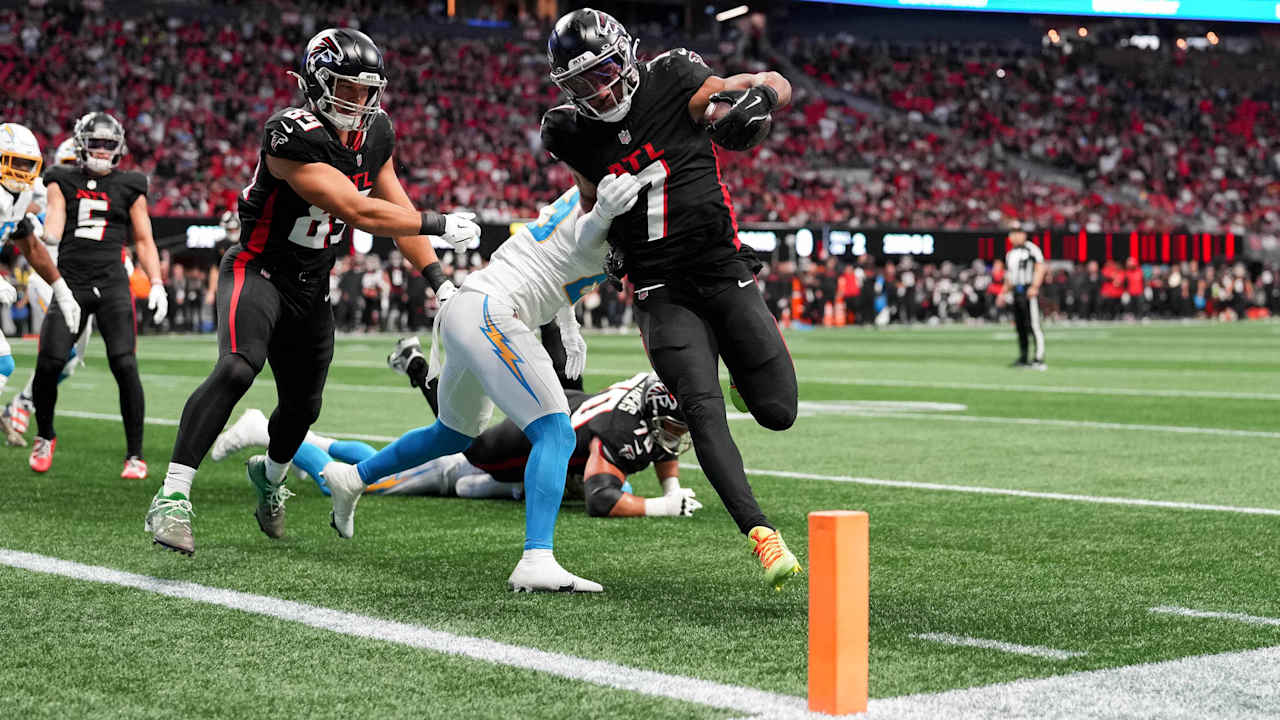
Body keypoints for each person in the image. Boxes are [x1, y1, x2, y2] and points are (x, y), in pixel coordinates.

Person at [143, 28, 480, 557]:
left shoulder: (376, 133)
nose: (360, 101)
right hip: (259, 271)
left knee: (303, 407)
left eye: (368, 90)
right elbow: (358, 209)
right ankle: (172, 495)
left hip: (312, 287)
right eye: (347, 88)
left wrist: (439, 280)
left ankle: (271, 478)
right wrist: (440, 222)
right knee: (238, 367)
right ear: (317, 84)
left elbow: (396, 206)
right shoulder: (289, 133)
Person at [541, 8, 801, 589]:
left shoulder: (674, 77)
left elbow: (771, 83)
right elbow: (589, 210)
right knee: (701, 408)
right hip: (660, 288)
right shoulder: (570, 131)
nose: (599, 90)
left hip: (721, 267)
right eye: (582, 82)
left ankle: (742, 372)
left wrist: (761, 99)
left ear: (626, 56)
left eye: (604, 71)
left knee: (778, 411)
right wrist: (603, 236)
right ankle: (761, 534)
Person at [321, 175, 646, 593]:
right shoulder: (609, 201)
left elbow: (560, 259)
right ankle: (537, 559)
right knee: (555, 432)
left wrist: (569, 326)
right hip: (493, 311)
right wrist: (602, 213)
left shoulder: (588, 197)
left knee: (452, 434)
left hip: (470, 306)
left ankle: (353, 477)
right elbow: (585, 236)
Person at [210, 368, 701, 519]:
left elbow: (656, 447)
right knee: (360, 482)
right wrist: (663, 505)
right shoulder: (618, 428)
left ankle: (311, 441)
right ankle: (266, 432)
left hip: (504, 455)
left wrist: (673, 487)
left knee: (379, 463)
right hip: (477, 464)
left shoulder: (644, 394)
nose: (675, 439)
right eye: (675, 427)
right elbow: (601, 497)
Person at [30, 112, 166, 478]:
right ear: (80, 144)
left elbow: (143, 239)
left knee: (125, 364)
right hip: (71, 283)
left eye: (109, 144)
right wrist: (41, 235)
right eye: (96, 143)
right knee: (49, 363)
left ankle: (135, 454)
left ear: (119, 147)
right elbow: (55, 221)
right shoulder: (60, 178)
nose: (102, 150)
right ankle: (45, 435)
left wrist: (156, 282)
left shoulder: (131, 184)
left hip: (111, 284)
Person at [0, 123, 82, 446]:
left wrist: (61, 288)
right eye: (14, 162)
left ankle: (19, 405)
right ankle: (21, 405)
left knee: (5, 363)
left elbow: (30, 244)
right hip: (38, 281)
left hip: (68, 276)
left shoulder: (19, 195)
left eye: (27, 164)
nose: (21, 171)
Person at [1003, 230, 1046, 370]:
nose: (1015, 237)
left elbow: (1040, 268)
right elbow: (1009, 276)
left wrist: (1035, 286)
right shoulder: (1010, 254)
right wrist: (1003, 293)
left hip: (1028, 290)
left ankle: (1038, 358)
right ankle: (1023, 357)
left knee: (1033, 325)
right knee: (1020, 326)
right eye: (1012, 234)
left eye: (1018, 233)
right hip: (1016, 291)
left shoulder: (1031, 249)